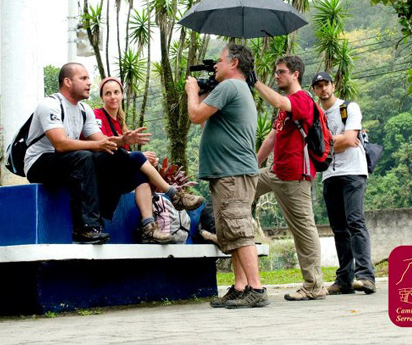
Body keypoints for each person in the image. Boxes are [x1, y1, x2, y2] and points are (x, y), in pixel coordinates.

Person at [25, 63, 202, 244]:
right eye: (84, 78)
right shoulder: (51, 104)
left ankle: (152, 221)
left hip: (70, 161)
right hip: (40, 163)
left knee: (116, 158)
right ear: (68, 82)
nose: (89, 83)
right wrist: (104, 145)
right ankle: (86, 228)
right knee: (85, 156)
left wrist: (123, 142)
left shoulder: (84, 110)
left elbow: (103, 143)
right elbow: (60, 144)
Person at [186, 43, 268, 309]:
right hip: (228, 173)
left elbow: (196, 115)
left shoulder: (231, 86)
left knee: (240, 230)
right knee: (232, 233)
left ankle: (256, 289)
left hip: (233, 173)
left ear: (233, 64)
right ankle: (240, 287)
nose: (217, 65)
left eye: (220, 61)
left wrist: (191, 92)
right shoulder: (233, 89)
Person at [252, 55, 327, 301]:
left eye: (281, 72)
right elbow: (272, 137)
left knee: (303, 229)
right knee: (238, 189)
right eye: (275, 71)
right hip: (274, 172)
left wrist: (254, 81)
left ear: (295, 74)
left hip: (296, 176)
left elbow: (279, 101)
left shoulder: (302, 99)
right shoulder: (283, 110)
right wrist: (253, 165)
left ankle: (314, 285)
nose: (276, 75)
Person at [94, 76, 204, 244]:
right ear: (102, 97)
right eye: (108, 93)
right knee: (138, 156)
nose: (113, 97)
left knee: (141, 175)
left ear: (122, 95)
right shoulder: (96, 116)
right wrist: (137, 157)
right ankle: (174, 195)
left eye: (116, 92)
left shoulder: (121, 123)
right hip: (99, 170)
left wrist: (144, 162)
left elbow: (124, 158)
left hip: (115, 174)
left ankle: (149, 227)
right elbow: (103, 146)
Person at [311, 71, 376, 294]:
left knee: (355, 221)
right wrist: (332, 143)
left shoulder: (349, 108)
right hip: (329, 175)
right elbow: (315, 147)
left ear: (333, 84)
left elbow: (349, 140)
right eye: (318, 86)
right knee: (339, 229)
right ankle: (345, 279)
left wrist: (325, 145)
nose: (323, 89)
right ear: (314, 90)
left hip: (353, 172)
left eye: (326, 84)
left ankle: (366, 276)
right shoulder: (316, 114)